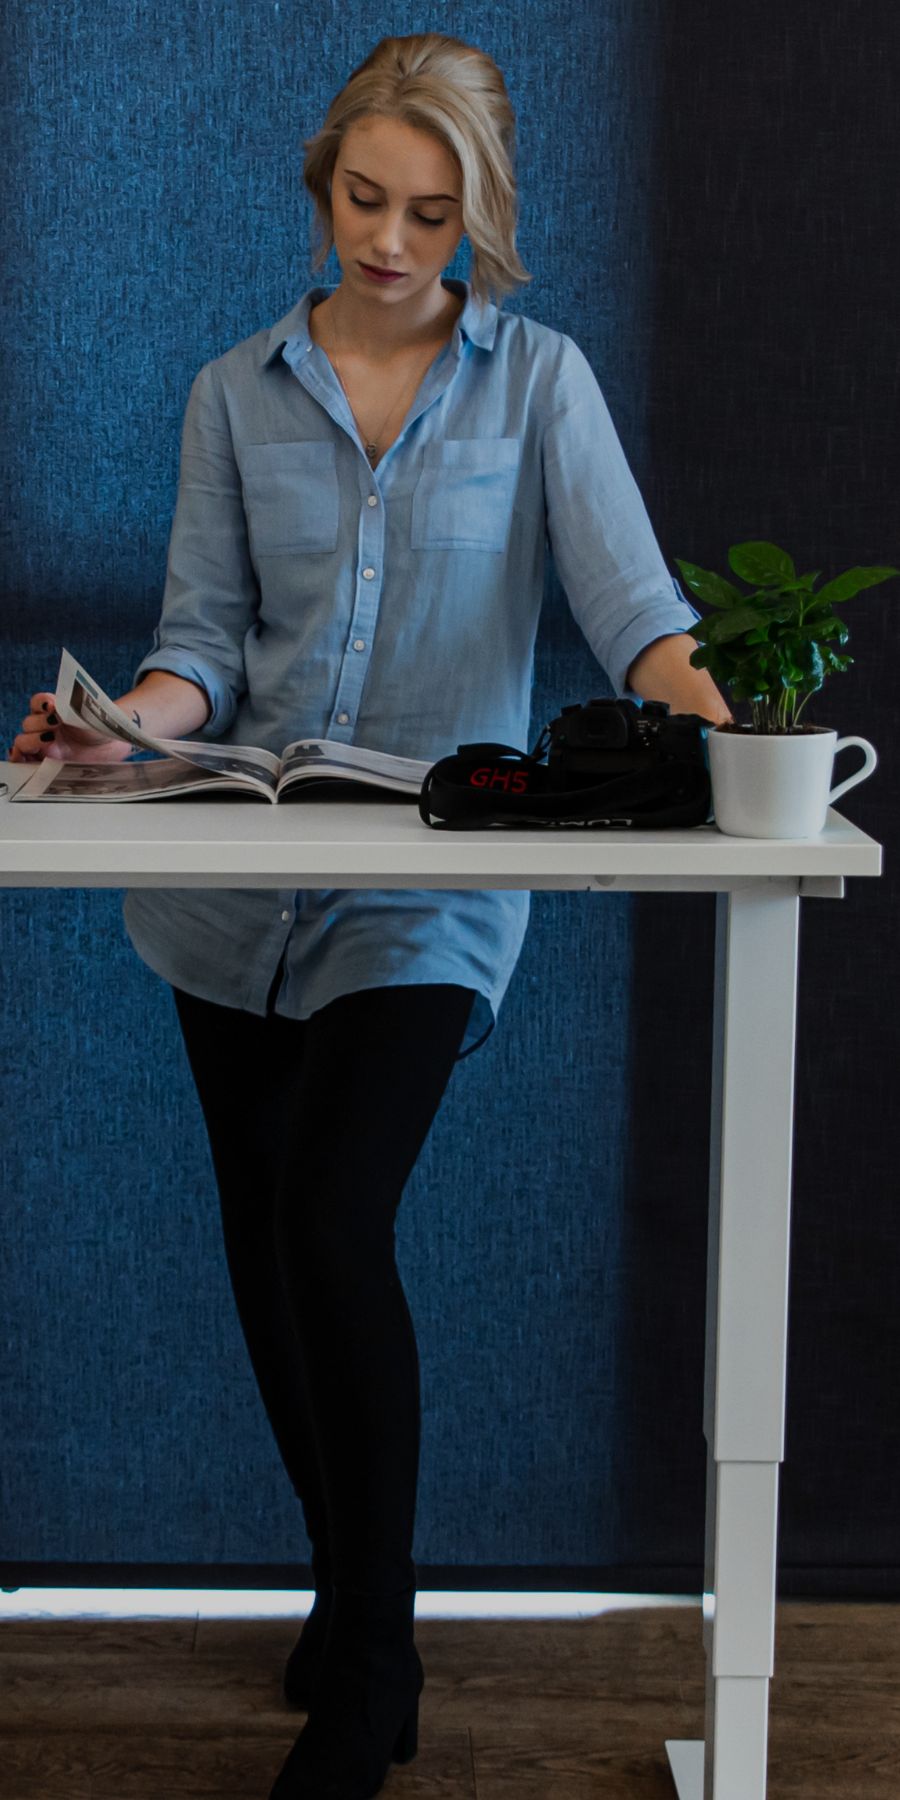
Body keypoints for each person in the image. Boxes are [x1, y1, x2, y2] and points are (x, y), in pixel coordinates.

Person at [11, 31, 731, 1800]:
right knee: (268, 1254)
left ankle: (378, 1655)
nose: (394, 245)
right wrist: (121, 734)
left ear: (478, 217)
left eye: (432, 214)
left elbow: (638, 614)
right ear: (322, 180)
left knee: (334, 1222)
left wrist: (749, 724)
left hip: (426, 877)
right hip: (229, 882)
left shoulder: (539, 385)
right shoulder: (231, 392)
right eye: (366, 201)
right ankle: (349, 1599)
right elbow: (197, 647)